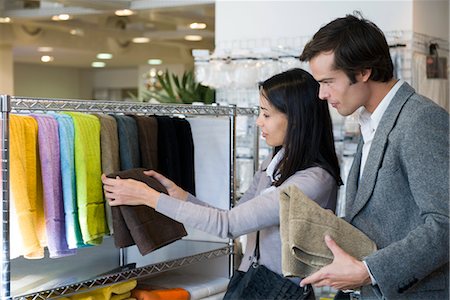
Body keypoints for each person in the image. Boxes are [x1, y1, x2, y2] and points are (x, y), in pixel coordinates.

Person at [102, 68, 342, 299]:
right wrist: (180, 195)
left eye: (266, 114)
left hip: (281, 289)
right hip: (252, 279)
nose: (259, 122)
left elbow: (229, 225)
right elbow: (233, 216)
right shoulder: (276, 162)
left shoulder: (313, 181)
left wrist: (148, 198)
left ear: (297, 120)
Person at [298, 13, 449, 300]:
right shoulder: (371, 122)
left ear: (364, 71)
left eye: (328, 81)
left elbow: (446, 223)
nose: (321, 94)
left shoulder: (420, 120)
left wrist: (370, 271)